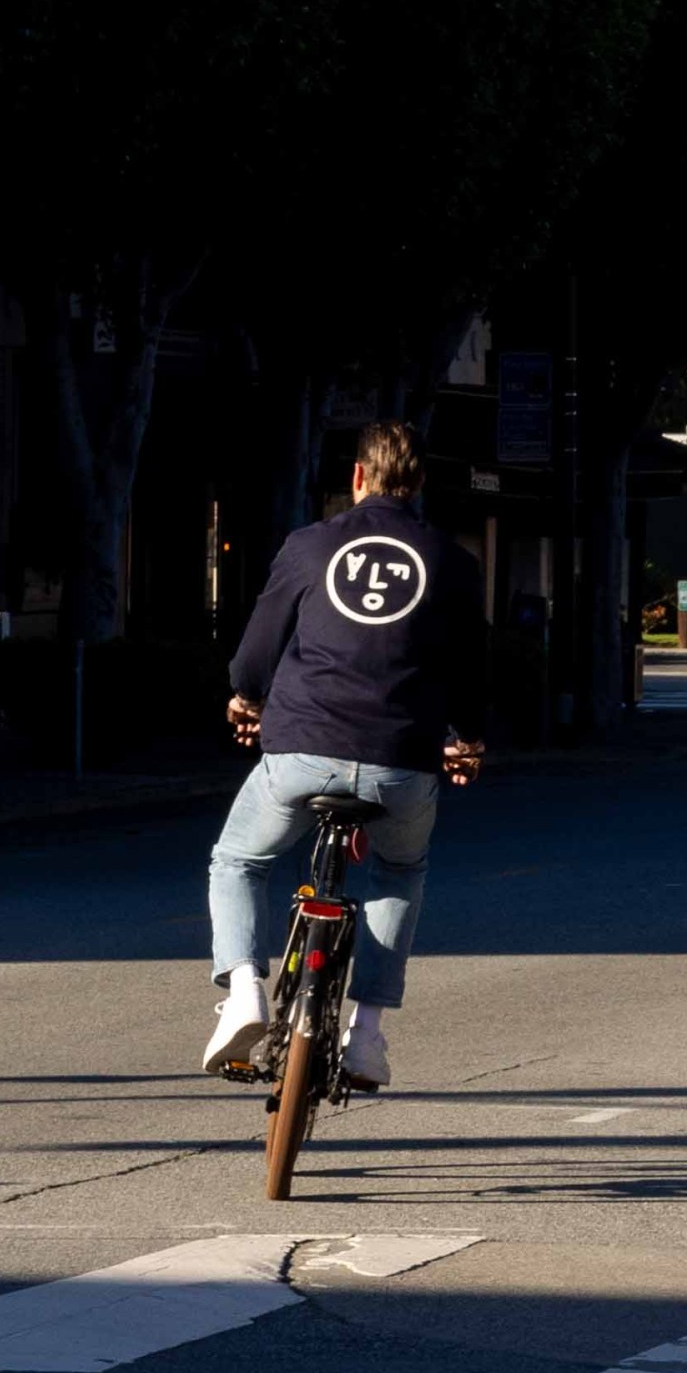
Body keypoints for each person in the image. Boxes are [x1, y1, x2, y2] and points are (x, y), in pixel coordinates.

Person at [202, 426, 493, 1092]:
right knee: (397, 868)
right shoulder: (452, 562)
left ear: (357, 477)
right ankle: (365, 1032)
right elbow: (469, 672)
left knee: (240, 858)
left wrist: (248, 697)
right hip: (401, 759)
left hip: (302, 749)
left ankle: (246, 989)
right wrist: (467, 740)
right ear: (418, 486)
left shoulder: (308, 546)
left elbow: (255, 653)